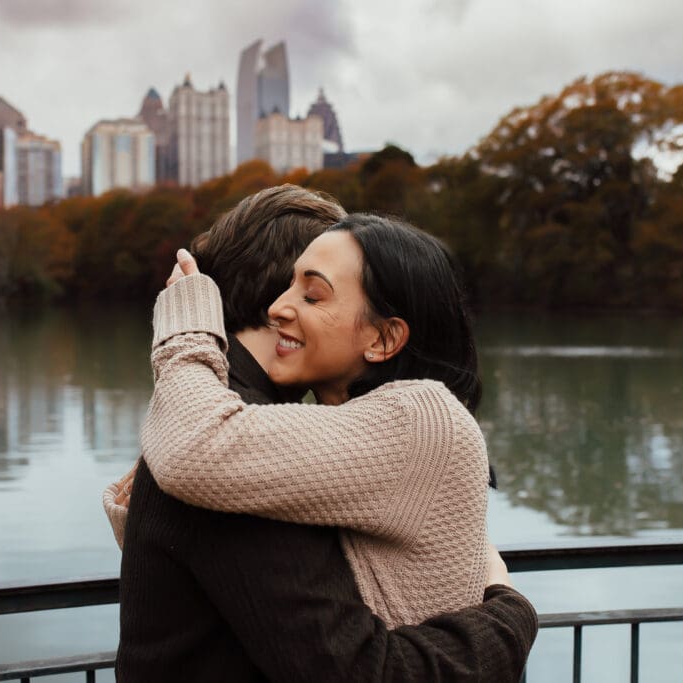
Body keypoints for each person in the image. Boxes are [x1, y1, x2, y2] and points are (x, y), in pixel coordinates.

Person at [108, 188, 537, 680]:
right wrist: (510, 616)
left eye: (312, 292)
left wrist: (184, 334)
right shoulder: (235, 422)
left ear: (381, 337)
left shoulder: (412, 415)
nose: (281, 308)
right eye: (290, 286)